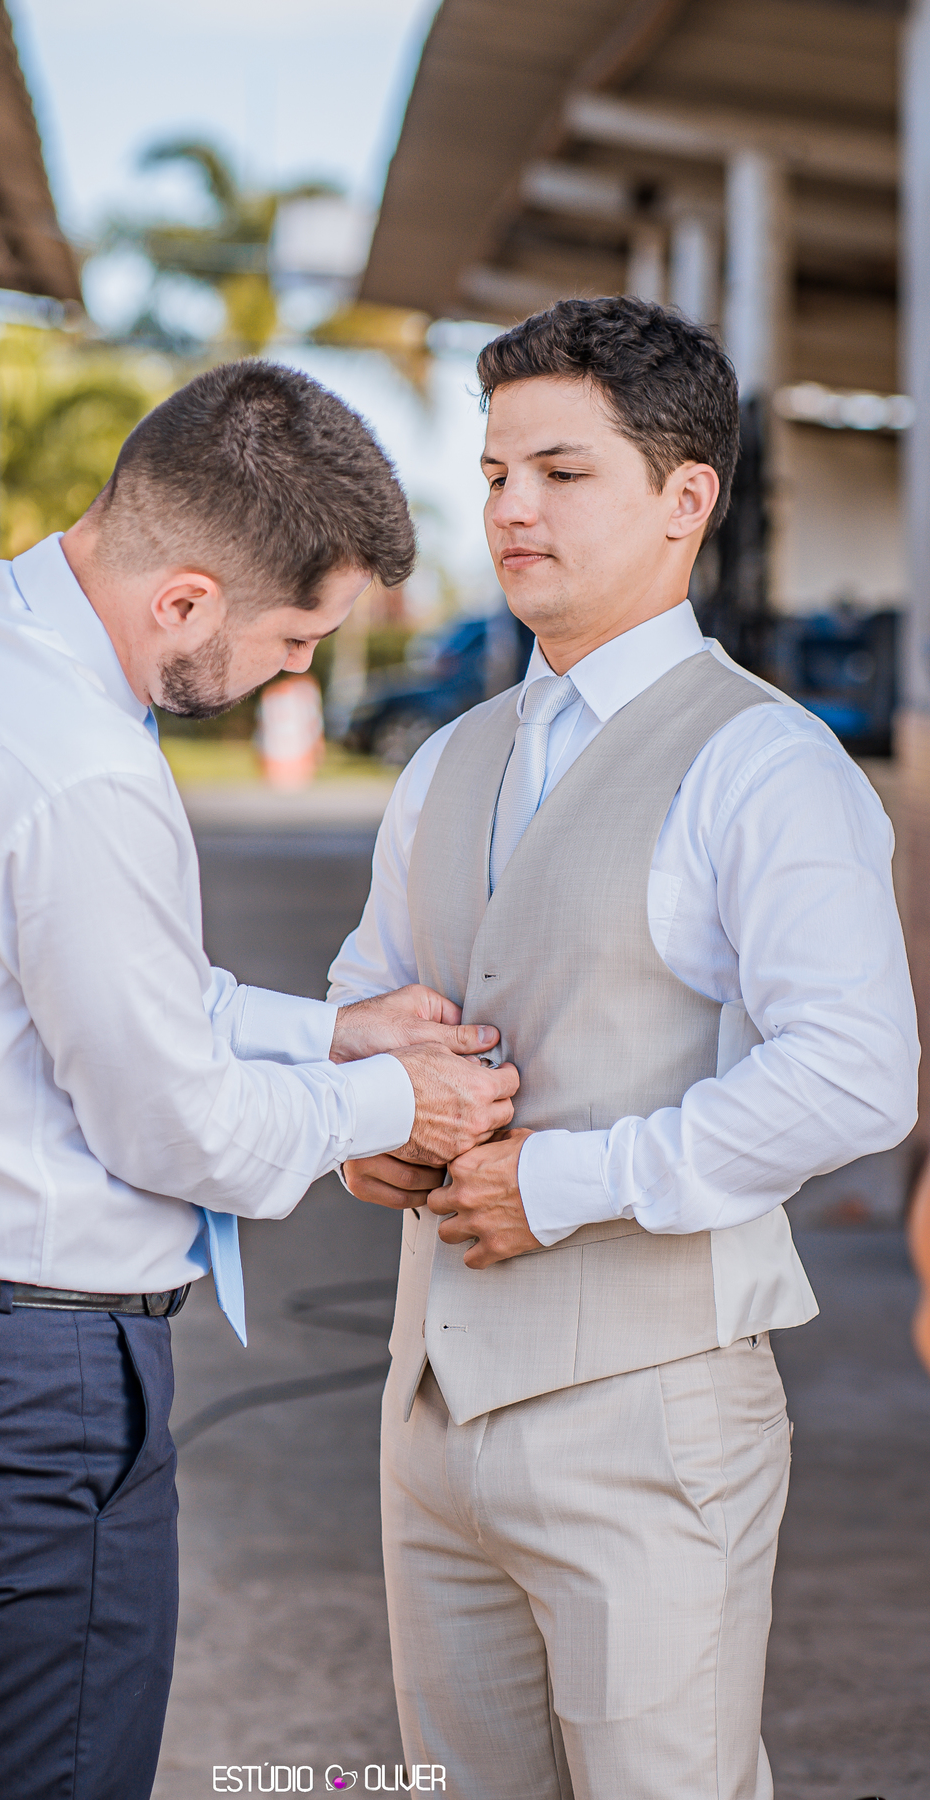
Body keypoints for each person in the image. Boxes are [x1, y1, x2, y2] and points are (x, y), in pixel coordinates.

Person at [0, 361, 518, 1800]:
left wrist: (331, 1033)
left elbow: (68, 987)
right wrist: (403, 1105)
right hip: (10, 1393)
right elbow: (187, 1131)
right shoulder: (86, 775)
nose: (298, 678)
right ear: (183, 601)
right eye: (295, 639)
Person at [330, 298, 919, 1800]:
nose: (512, 506)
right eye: (495, 472)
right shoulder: (450, 762)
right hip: (431, 1418)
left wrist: (574, 1181)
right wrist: (370, 1116)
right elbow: (366, 1000)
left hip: (649, 1425)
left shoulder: (765, 764)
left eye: (561, 471)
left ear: (684, 498)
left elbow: (858, 1071)